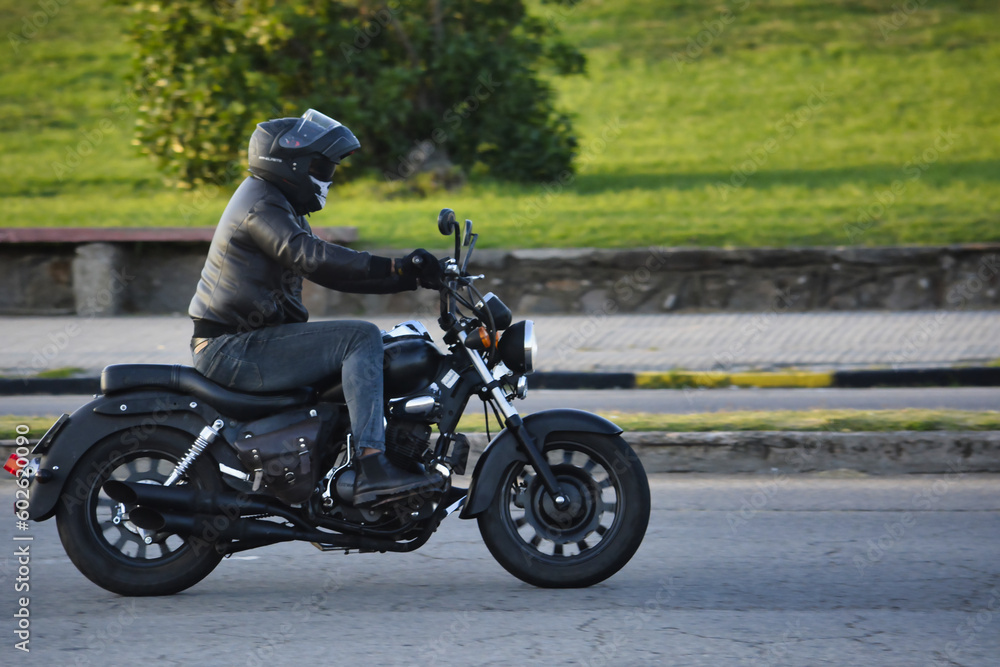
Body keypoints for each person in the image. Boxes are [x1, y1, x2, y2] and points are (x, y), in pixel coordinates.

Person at [188, 109, 445, 507]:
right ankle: (371, 467)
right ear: (291, 164)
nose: (327, 175)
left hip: (247, 340)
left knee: (374, 343)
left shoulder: (276, 202)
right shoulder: (261, 204)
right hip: (233, 347)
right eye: (321, 166)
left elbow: (333, 273)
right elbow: (311, 257)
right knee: (359, 338)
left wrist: (408, 276)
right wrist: (396, 266)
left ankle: (346, 462)